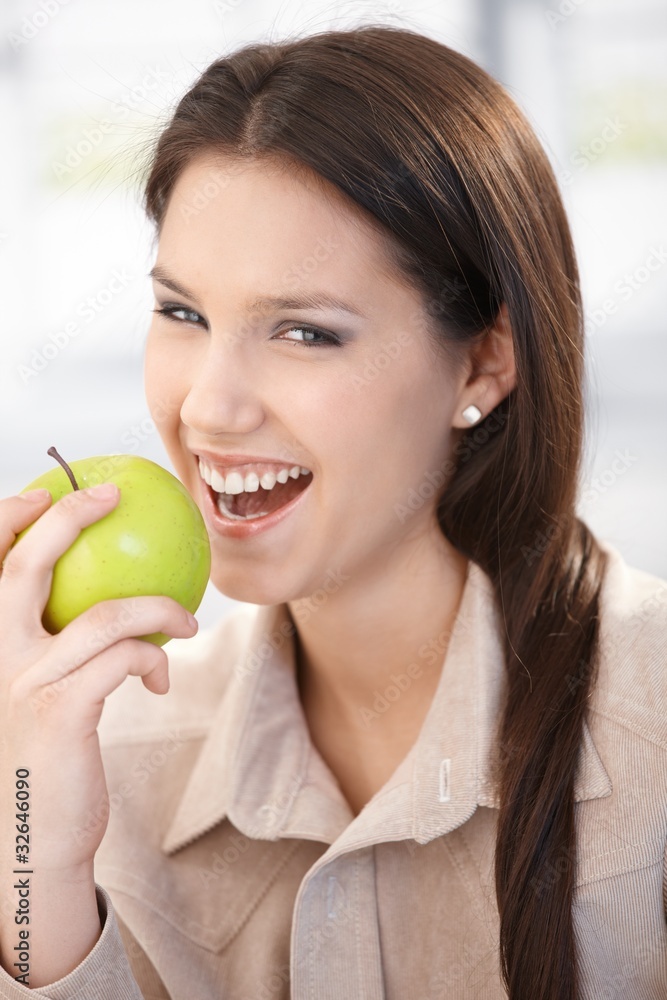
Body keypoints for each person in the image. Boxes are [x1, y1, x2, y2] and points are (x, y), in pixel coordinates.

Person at [0, 22, 665, 1000]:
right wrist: (35, 857)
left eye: (305, 332)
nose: (208, 408)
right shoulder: (91, 754)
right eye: (182, 313)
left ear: (482, 365)